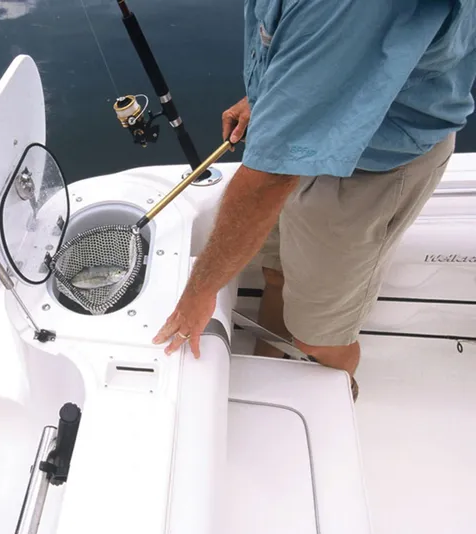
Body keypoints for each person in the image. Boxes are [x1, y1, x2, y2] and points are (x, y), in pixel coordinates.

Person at [153, 0, 476, 399]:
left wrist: (198, 294)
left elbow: (269, 180)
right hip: (302, 141)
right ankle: (271, 359)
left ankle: (334, 396)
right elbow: (321, 48)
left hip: (372, 167)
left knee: (318, 337)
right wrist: (267, 96)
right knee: (275, 270)